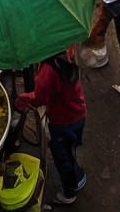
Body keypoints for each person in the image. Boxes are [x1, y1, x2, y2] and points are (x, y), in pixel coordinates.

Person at [12, 50, 88, 205]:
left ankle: (70, 191)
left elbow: (39, 98)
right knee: (70, 149)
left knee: (62, 158)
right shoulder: (68, 53)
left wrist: (22, 98)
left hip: (62, 122)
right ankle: (78, 176)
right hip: (78, 113)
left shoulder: (48, 72)